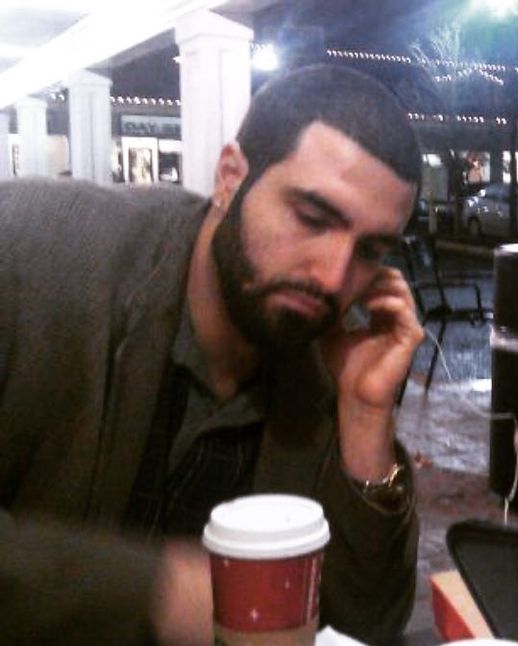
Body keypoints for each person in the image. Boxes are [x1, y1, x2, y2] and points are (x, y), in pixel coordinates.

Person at [0, 65, 424, 644]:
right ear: (230, 178)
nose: (332, 277)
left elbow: (364, 623)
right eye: (311, 218)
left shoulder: (331, 355)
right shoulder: (30, 254)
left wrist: (366, 416)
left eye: (370, 250)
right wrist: (155, 591)